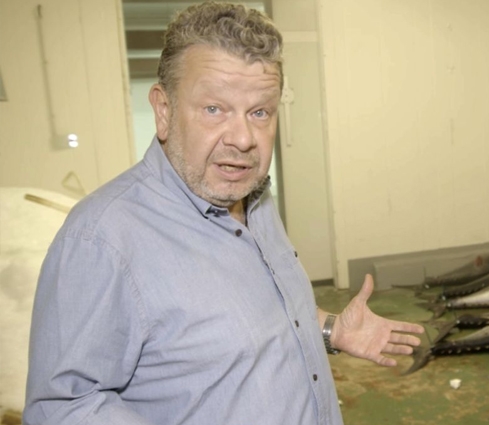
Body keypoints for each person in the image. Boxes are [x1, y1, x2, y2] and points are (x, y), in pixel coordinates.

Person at [23, 2, 424, 424]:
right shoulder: (100, 240)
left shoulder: (253, 198)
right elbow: (63, 409)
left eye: (260, 112)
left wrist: (330, 330)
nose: (244, 138)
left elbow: (257, 317)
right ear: (163, 110)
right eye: (214, 109)